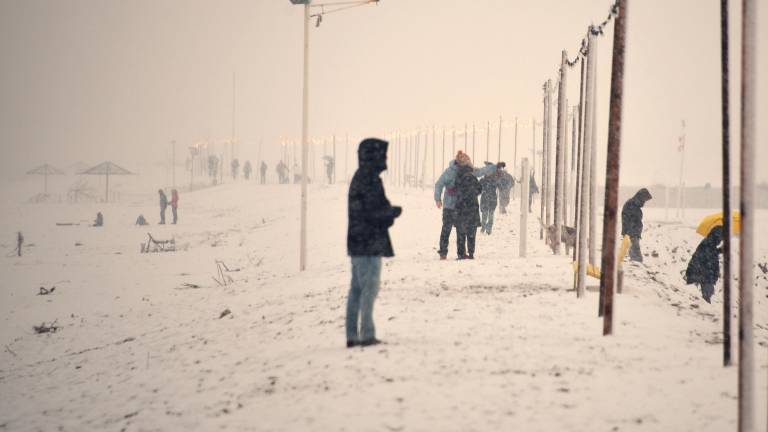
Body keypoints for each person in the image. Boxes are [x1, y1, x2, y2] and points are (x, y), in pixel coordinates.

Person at [346, 138, 402, 348]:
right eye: (382, 154)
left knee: (357, 290)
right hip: (368, 242)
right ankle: (366, 334)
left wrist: (387, 211)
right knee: (369, 288)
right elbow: (372, 211)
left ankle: (352, 334)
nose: (385, 159)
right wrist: (391, 213)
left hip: (359, 241)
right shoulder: (369, 180)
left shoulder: (361, 177)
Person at [434, 151, 497, 260]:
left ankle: (458, 253)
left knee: (458, 230)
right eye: (467, 161)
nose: (469, 163)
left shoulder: (469, 170)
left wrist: (495, 167)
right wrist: (438, 199)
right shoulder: (450, 171)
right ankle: (444, 253)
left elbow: (481, 171)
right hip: (451, 206)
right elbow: (439, 184)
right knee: (448, 229)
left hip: (460, 207)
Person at [684, 226, 724, 303]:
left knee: (704, 300)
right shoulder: (708, 244)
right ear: (717, 236)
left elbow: (709, 254)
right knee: (704, 301)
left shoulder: (709, 243)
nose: (721, 240)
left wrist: (720, 250)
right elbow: (708, 259)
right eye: (721, 237)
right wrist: (712, 276)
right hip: (702, 277)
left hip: (701, 276)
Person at [455, 158, 482, 259]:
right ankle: (471, 253)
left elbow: (455, 190)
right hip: (472, 208)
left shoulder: (458, 177)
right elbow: (479, 189)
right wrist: (473, 194)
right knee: (471, 232)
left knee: (460, 232)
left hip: (460, 207)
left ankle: (461, 253)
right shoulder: (472, 177)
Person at [621, 188, 653, 262]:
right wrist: (632, 233)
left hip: (632, 234)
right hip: (632, 234)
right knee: (636, 258)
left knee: (635, 255)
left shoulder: (633, 205)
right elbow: (631, 221)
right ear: (641, 197)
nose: (644, 202)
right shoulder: (632, 205)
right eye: (644, 200)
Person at [479, 164, 499, 234]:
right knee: (484, 216)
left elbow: (500, 185)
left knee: (491, 216)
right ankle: (483, 227)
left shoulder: (494, 180)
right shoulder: (482, 180)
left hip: (492, 200)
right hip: (485, 200)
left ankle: (489, 229)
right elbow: (478, 189)